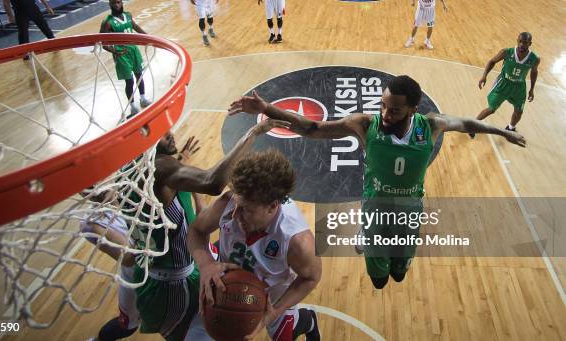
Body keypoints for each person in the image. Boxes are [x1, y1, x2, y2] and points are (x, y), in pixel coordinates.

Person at [227, 75, 526, 289]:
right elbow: (312, 127)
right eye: (382, 105)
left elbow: (469, 123)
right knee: (380, 281)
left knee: (399, 275)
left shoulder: (432, 125)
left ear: (413, 109)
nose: (385, 113)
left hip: (410, 212)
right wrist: (267, 108)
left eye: (394, 109)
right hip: (376, 210)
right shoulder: (365, 125)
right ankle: (365, 235)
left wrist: (503, 132)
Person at [87, 119, 285, 341]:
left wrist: (185, 168)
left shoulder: (131, 172)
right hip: (172, 286)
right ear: (139, 141)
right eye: (160, 133)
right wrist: (254, 131)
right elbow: (213, 182)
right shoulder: (161, 168)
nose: (170, 134)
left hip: (167, 276)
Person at [188, 149, 322, 341]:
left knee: (284, 335)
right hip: (228, 288)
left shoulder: (297, 240)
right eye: (237, 204)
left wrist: (274, 311)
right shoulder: (228, 204)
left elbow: (311, 277)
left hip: (272, 297)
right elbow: (196, 230)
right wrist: (206, 264)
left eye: (246, 210)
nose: (235, 214)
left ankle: (306, 319)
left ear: (272, 206)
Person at [470, 32, 540, 138]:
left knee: (519, 111)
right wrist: (484, 76)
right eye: (520, 41)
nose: (521, 44)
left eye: (525, 42)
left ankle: (510, 128)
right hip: (503, 84)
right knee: (491, 109)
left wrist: (532, 89)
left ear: (530, 44)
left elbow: (534, 72)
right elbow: (491, 61)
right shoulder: (506, 52)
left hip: (519, 87)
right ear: (517, 40)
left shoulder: (534, 58)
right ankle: (473, 125)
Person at [100, 0, 151, 117]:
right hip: (121, 54)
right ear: (110, 5)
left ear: (122, 3)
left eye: (118, 2)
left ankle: (143, 99)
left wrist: (149, 37)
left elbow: (135, 26)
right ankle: (132, 106)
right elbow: (103, 43)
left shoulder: (128, 15)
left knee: (139, 75)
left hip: (134, 50)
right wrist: (115, 52)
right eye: (113, 3)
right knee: (129, 81)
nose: (116, 5)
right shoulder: (107, 22)